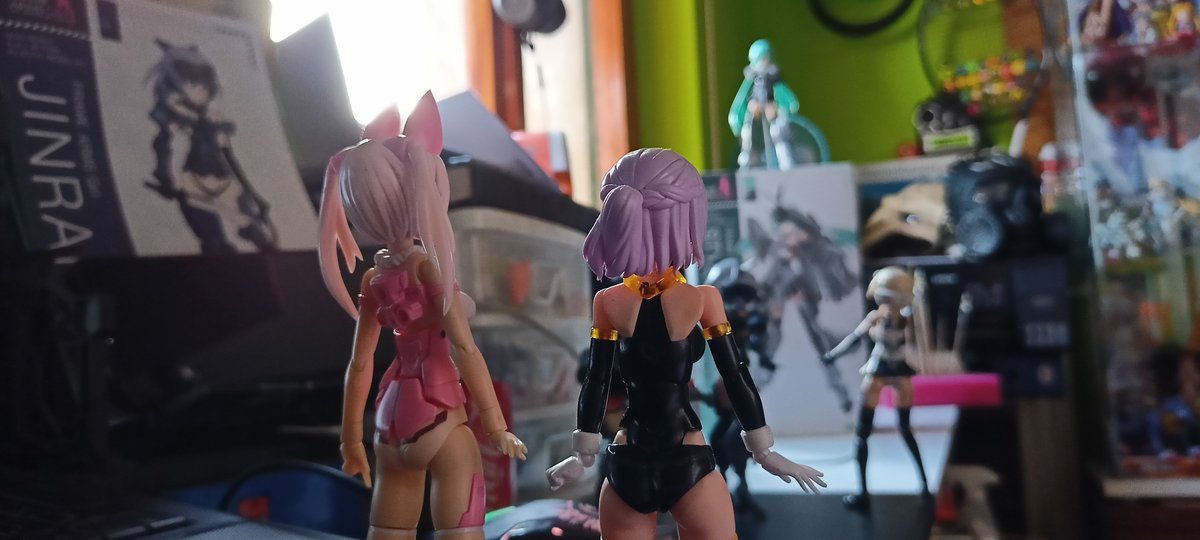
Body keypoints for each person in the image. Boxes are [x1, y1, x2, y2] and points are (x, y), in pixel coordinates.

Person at [547, 148, 824, 539]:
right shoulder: (699, 299)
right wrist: (762, 448)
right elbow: (735, 374)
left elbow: (597, 379)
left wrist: (583, 452)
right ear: (683, 218)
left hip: (631, 460)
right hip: (683, 459)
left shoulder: (610, 302)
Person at [318, 93, 527, 540]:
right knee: (461, 526)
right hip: (439, 413)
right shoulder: (428, 269)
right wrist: (495, 425)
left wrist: (351, 440)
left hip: (389, 423)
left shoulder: (374, 277)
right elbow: (465, 349)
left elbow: (360, 364)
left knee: (388, 530)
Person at [822, 266, 929, 510]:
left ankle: (868, 491)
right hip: (894, 370)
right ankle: (920, 483)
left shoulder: (885, 317)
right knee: (897, 429)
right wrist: (833, 354)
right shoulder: (900, 317)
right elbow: (855, 339)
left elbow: (855, 339)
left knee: (868, 433)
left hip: (884, 369)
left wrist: (832, 355)